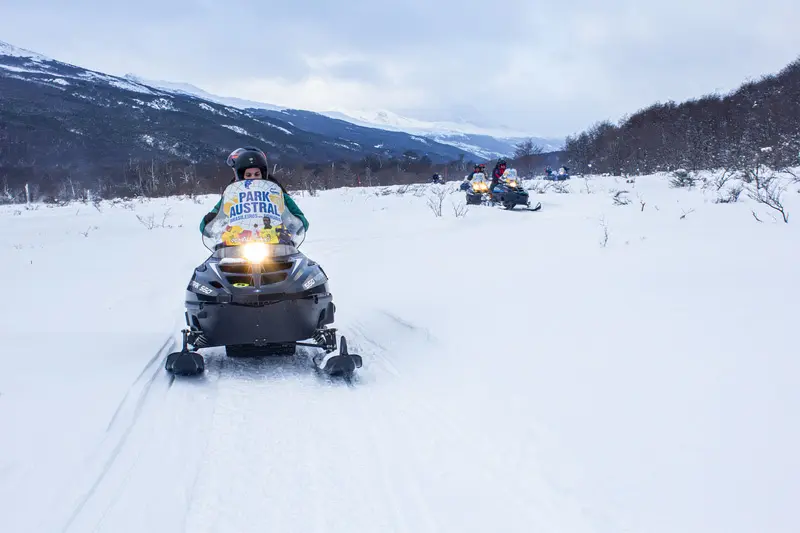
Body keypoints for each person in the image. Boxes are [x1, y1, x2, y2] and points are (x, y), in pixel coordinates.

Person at [200, 147, 308, 234]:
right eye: (248, 175)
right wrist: (209, 221)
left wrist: (295, 223)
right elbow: (218, 213)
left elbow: (298, 216)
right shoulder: (233, 193)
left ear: (263, 173)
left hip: (273, 239)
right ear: (242, 176)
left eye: (257, 174)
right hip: (239, 241)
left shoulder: (275, 191)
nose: (253, 178)